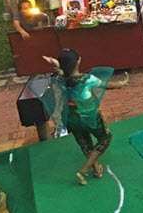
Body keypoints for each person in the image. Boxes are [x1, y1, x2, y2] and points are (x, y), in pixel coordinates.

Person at [41, 49, 129, 185]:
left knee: (84, 142)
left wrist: (54, 62)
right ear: (78, 62)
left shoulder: (60, 78)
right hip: (89, 116)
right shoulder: (87, 79)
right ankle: (83, 170)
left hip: (71, 117)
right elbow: (107, 85)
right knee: (105, 138)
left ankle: (96, 168)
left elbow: (61, 69)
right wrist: (122, 83)